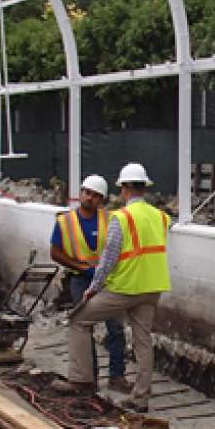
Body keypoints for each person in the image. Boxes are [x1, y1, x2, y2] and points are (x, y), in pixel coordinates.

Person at [66, 163, 170, 412]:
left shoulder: (120, 218)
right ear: (144, 188)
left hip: (124, 288)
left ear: (124, 189)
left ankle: (81, 379)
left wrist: (93, 287)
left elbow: (108, 258)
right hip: (152, 287)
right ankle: (140, 398)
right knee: (143, 341)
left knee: (78, 320)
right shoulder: (160, 216)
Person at [50, 174, 126, 384]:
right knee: (83, 328)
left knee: (116, 328)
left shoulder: (110, 219)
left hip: (107, 280)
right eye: (87, 193)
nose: (90, 198)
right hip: (80, 279)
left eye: (95, 195)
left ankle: (117, 376)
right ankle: (89, 375)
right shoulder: (65, 221)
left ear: (101, 199)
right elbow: (55, 253)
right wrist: (82, 268)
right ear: (81, 193)